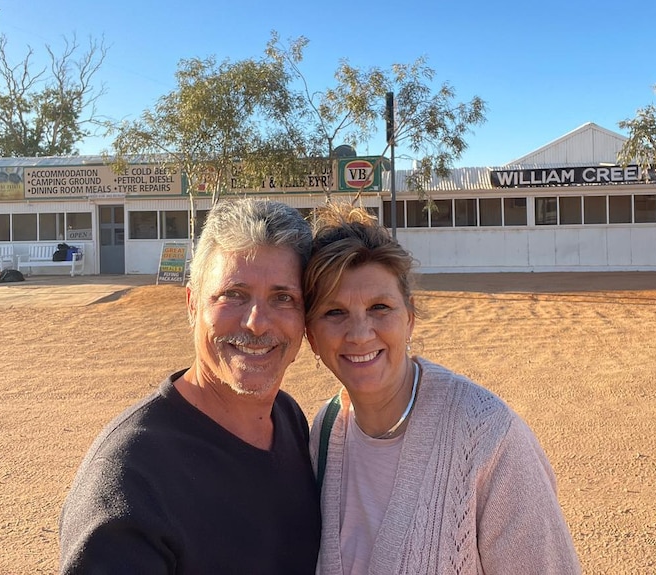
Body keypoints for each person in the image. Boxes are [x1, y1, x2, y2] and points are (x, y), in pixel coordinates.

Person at [304, 203, 581, 574]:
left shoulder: (488, 435)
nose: (359, 333)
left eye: (380, 307)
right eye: (333, 312)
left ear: (409, 318)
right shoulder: (325, 431)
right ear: (311, 336)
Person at [59, 199, 321, 574]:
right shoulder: (130, 478)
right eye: (233, 294)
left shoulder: (288, 418)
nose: (258, 323)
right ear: (192, 304)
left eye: (283, 298)